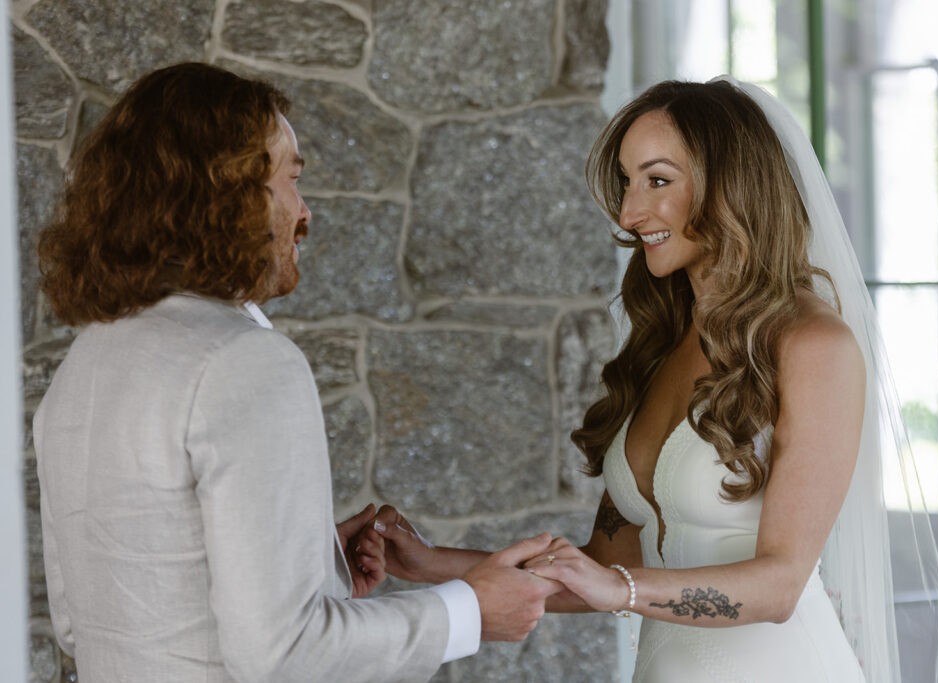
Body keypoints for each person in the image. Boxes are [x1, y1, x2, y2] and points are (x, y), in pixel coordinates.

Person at [363, 78, 938, 682]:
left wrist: (617, 587)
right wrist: (435, 564)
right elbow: (599, 566)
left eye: (658, 181)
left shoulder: (812, 345)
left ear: (729, 185)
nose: (629, 212)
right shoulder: (660, 344)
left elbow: (780, 585)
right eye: (627, 181)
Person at [32, 62, 560, 683]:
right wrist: (470, 608)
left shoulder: (85, 363)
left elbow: (84, 617)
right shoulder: (243, 361)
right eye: (290, 181)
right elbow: (285, 655)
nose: (304, 212)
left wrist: (314, 561)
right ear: (226, 194)